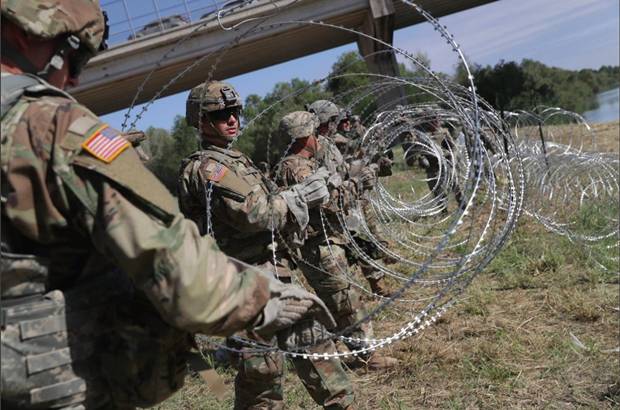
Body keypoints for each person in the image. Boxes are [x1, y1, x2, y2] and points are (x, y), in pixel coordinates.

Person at [0, 2, 334, 409]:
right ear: (25, 34)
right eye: (75, 56)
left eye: (236, 112)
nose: (72, 76)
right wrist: (269, 300)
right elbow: (177, 266)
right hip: (53, 380)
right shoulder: (52, 127)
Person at [177, 81, 355, 410]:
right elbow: (256, 215)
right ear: (201, 121)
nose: (233, 119)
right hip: (244, 280)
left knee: (313, 345)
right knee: (262, 374)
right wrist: (298, 198)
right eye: (222, 114)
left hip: (272, 269)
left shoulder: (234, 160)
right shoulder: (208, 168)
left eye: (235, 112)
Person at [276, 110, 398, 370]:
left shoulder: (300, 164)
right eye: (314, 133)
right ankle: (368, 357)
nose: (319, 137)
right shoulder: (297, 168)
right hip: (318, 246)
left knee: (342, 301)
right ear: (306, 137)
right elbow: (331, 204)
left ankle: (351, 348)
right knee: (346, 303)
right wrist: (358, 183)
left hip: (325, 242)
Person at [308, 101, 395, 297]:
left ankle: (376, 284)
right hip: (333, 207)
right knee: (351, 248)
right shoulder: (317, 146)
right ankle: (361, 290)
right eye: (333, 121)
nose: (336, 125)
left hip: (346, 200)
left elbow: (343, 169)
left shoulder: (328, 143)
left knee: (360, 242)